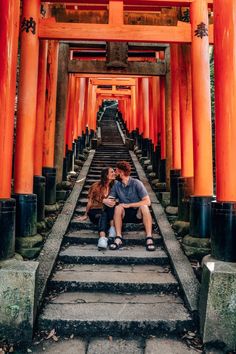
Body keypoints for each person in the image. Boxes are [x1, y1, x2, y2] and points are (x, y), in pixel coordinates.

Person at [103, 161, 156, 251]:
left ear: (121, 172)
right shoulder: (117, 185)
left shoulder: (136, 183)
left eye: (116, 171)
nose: (115, 173)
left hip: (137, 214)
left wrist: (130, 205)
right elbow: (111, 199)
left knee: (144, 207)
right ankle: (118, 237)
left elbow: (147, 201)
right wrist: (105, 200)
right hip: (123, 214)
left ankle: (149, 237)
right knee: (118, 207)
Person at [79, 167, 116, 250]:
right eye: (112, 172)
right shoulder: (95, 186)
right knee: (103, 213)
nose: (114, 173)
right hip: (95, 211)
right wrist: (85, 214)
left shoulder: (115, 186)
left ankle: (102, 238)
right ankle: (111, 230)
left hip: (108, 212)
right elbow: (90, 202)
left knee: (107, 210)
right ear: (106, 175)